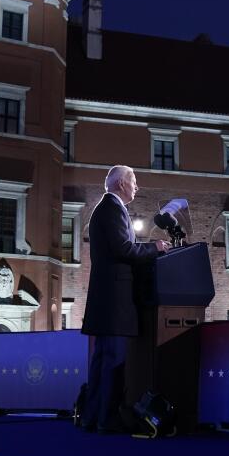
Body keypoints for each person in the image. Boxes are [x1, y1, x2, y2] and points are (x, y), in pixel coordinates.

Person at [80, 165, 168, 433]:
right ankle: (106, 419)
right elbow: (123, 248)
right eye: (133, 181)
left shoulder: (106, 208)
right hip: (115, 302)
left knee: (102, 362)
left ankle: (92, 418)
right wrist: (155, 247)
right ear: (120, 184)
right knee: (113, 363)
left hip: (107, 300)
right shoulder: (112, 208)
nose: (136, 186)